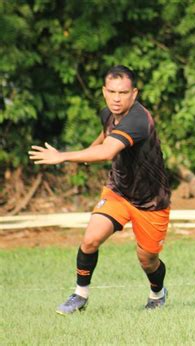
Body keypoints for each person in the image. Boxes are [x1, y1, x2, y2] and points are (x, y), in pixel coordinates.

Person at [29, 65, 171, 315]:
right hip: (118, 190)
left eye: (123, 92)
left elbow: (107, 152)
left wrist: (63, 156)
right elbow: (105, 137)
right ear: (104, 91)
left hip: (151, 200)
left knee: (147, 259)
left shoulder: (139, 119)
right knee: (90, 239)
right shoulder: (108, 113)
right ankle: (80, 295)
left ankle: (157, 293)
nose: (117, 98)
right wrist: (87, 152)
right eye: (112, 91)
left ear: (134, 93)